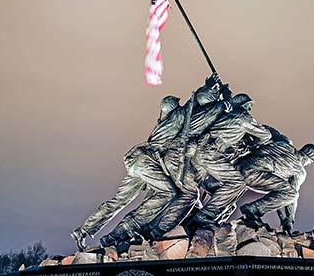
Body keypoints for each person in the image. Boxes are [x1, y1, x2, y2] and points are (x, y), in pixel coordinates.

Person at [70, 76, 220, 251]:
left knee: (118, 201)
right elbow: (193, 105)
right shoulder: (174, 120)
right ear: (173, 109)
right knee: (168, 192)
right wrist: (211, 90)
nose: (179, 107)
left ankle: (83, 231)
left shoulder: (163, 122)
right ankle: (130, 226)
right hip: (145, 161)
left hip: (138, 162)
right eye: (177, 106)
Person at [149, 93, 272, 239]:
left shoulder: (225, 117)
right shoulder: (243, 118)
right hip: (209, 154)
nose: (250, 109)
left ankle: (188, 226)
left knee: (205, 194)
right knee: (237, 183)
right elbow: (265, 136)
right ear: (244, 105)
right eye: (249, 105)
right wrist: (254, 143)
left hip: (199, 154)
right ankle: (203, 217)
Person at [235, 128, 314, 234]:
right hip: (252, 174)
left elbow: (278, 196)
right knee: (292, 194)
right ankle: (252, 209)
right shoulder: (299, 171)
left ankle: (253, 211)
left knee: (285, 190)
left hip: (239, 165)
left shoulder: (284, 144)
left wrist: (282, 218)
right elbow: (289, 196)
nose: (308, 165)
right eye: (310, 162)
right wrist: (289, 219)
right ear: (307, 158)